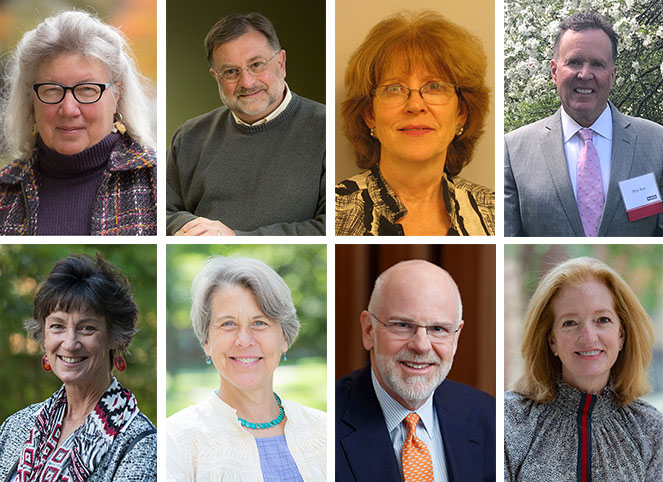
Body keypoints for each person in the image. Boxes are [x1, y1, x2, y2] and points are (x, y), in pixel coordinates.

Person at [335, 11, 494, 236]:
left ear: (462, 113)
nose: (415, 105)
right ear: (370, 114)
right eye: (394, 88)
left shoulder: (494, 212)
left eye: (435, 87)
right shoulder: (336, 213)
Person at [505, 10, 663, 236]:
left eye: (597, 64)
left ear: (613, 75)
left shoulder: (657, 143)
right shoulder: (514, 150)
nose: (585, 74)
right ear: (554, 72)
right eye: (574, 62)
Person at [166, 257, 326, 480]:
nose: (244, 340)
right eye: (228, 324)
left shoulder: (326, 430)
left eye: (260, 323)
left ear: (285, 338)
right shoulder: (175, 440)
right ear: (206, 341)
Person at [166, 13, 325, 236]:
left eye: (256, 65)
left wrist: (235, 237)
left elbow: (329, 228)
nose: (247, 82)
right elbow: (158, 213)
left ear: (281, 63)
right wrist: (186, 227)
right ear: (216, 77)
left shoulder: (325, 129)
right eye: (231, 71)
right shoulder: (189, 136)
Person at [504, 257, 663, 480]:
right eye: (570, 323)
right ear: (552, 340)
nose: (588, 337)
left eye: (602, 320)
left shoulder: (651, 430)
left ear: (621, 335)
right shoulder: (509, 420)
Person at [0, 254, 156, 480]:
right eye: (57, 326)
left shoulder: (141, 444)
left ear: (115, 337)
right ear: (43, 334)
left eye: (87, 328)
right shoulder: (17, 425)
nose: (70, 344)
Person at [0, 10, 156, 236]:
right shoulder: (5, 189)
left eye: (86, 89)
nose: (69, 109)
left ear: (116, 95)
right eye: (52, 90)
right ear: (31, 99)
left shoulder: (155, 182)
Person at [336, 260, 495, 481]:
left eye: (438, 329)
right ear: (369, 330)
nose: (421, 345)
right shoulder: (326, 423)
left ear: (456, 337)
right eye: (402, 325)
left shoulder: (490, 417)